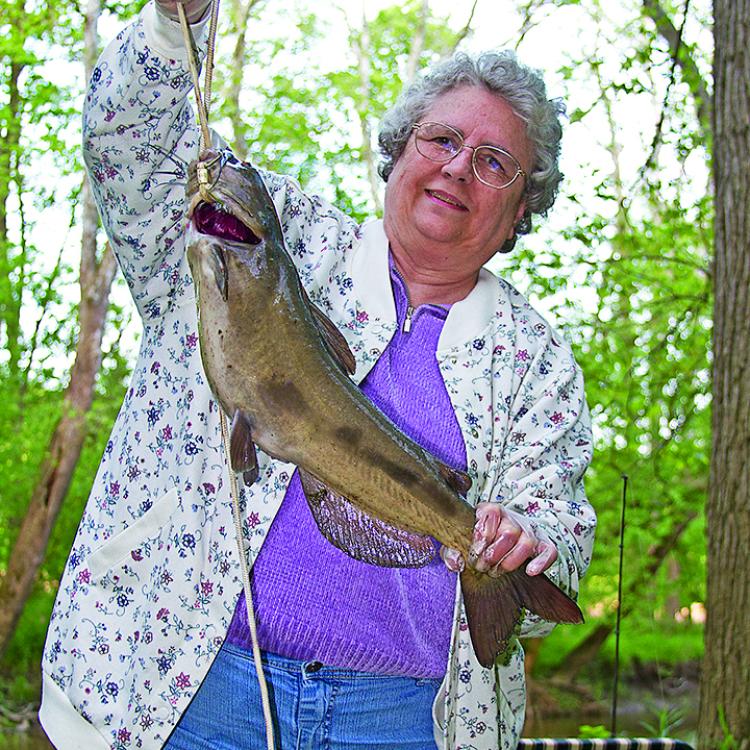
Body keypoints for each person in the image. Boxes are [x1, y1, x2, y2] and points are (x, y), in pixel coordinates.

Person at [39, 1, 596, 748]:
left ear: (523, 206)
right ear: (398, 152)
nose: (459, 166)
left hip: (402, 716)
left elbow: (558, 527)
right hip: (183, 682)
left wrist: (526, 540)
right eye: (441, 138)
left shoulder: (537, 357)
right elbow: (130, 141)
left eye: (494, 162)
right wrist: (179, 25)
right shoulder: (264, 234)